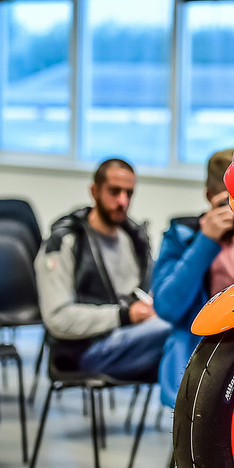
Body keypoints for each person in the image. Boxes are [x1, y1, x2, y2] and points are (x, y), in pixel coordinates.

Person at [153, 149, 234, 409]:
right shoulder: (183, 235)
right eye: (229, 202)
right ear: (210, 197)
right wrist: (205, 243)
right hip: (195, 354)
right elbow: (167, 307)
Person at [35, 158, 171, 381]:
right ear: (94, 191)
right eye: (114, 192)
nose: (123, 201)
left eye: (129, 193)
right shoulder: (66, 241)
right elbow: (57, 318)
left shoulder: (133, 239)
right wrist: (125, 315)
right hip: (85, 350)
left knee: (185, 330)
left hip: (130, 337)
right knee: (180, 331)